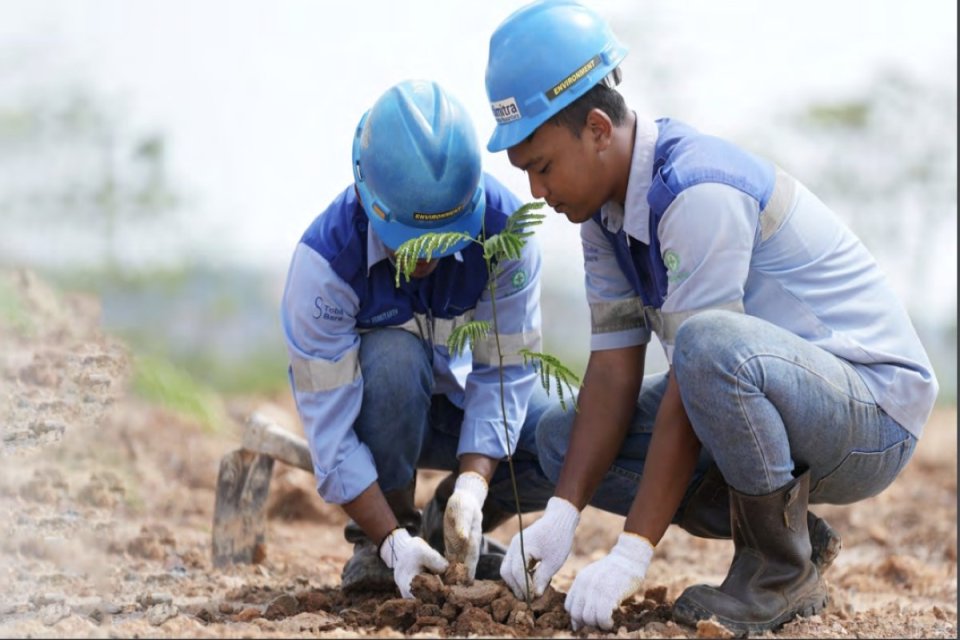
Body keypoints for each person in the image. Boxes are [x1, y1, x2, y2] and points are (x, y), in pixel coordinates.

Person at [482, 0, 939, 634]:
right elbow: (613, 376)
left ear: (596, 129)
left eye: (543, 166)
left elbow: (695, 380)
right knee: (562, 440)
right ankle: (796, 535)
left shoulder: (697, 191)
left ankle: (778, 570)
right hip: (775, 400)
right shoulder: (603, 218)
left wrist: (629, 553)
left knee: (703, 343)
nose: (538, 191)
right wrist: (563, 513)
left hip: (872, 411)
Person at [280, 79, 555, 598]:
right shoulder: (324, 269)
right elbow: (333, 436)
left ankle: (451, 526)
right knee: (393, 357)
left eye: (443, 243)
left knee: (557, 436)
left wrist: (473, 487)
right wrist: (389, 541)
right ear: (369, 201)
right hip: (379, 417)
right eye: (411, 244)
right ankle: (382, 543)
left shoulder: (507, 234)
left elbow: (506, 374)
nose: (426, 261)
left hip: (462, 414)